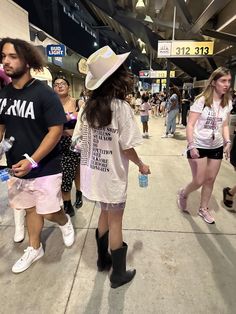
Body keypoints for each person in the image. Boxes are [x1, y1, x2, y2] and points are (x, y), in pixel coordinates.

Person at [72, 45, 150, 288]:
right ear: (118, 76)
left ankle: (103, 259)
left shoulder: (87, 108)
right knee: (116, 221)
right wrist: (141, 164)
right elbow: (127, 146)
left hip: (94, 176)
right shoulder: (122, 108)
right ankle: (118, 274)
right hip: (113, 177)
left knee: (104, 214)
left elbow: (78, 141)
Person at [0, 37, 75, 273]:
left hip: (46, 166)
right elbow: (2, 125)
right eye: (3, 57)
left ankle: (65, 221)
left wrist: (33, 160)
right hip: (16, 166)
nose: (6, 62)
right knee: (31, 209)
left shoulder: (44, 94)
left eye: (13, 56)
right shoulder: (4, 93)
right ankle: (35, 248)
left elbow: (56, 130)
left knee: (50, 211)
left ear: (28, 60)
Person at [177, 67, 232, 224]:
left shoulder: (226, 102)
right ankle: (184, 193)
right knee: (199, 179)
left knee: (210, 179)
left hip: (216, 145)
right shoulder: (201, 101)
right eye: (223, 81)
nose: (226, 84)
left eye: (229, 81)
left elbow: (225, 125)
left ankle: (203, 209)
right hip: (199, 144)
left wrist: (227, 141)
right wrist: (191, 145)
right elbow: (190, 125)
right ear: (214, 82)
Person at [53, 76, 83, 216]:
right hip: (56, 143)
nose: (59, 86)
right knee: (64, 173)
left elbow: (83, 117)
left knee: (77, 169)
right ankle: (67, 202)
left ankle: (79, 192)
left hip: (75, 142)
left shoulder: (78, 102)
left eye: (62, 83)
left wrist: (67, 117)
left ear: (69, 87)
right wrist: (71, 116)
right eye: (56, 84)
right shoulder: (51, 104)